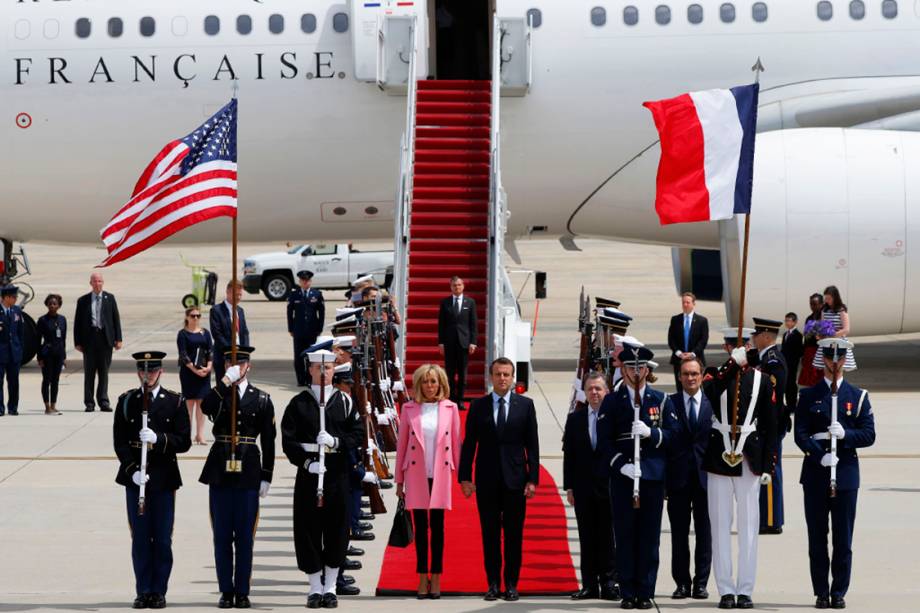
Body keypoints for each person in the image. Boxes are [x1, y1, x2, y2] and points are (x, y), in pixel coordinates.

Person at [794, 340, 875, 610]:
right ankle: (820, 592)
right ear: (823, 360)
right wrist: (819, 455)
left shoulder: (858, 396)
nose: (835, 362)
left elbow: (869, 434)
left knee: (843, 538)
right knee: (817, 537)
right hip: (816, 473)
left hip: (846, 473)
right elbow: (800, 434)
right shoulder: (808, 395)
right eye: (830, 357)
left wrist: (847, 435)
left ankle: (839, 590)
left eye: (839, 358)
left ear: (846, 361)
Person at [281, 347, 363, 609]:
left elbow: (358, 434)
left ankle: (330, 587)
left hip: (337, 475)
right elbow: (288, 441)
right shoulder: (299, 403)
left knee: (337, 529)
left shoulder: (345, 402)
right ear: (311, 370)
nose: (324, 373)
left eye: (328, 369)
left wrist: (336, 442)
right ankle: (314, 587)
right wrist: (307, 463)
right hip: (309, 475)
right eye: (319, 368)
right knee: (308, 531)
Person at [701, 330, 778, 610]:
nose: (738, 348)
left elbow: (772, 425)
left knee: (748, 526)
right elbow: (708, 392)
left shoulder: (761, 379)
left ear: (749, 344)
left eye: (742, 344)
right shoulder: (715, 374)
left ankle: (745, 589)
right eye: (732, 345)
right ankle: (725, 589)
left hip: (749, 455)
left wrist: (770, 463)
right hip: (719, 454)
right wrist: (731, 365)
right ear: (726, 346)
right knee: (720, 525)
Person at [598, 344, 676, 610]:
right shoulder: (612, 401)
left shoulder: (661, 400)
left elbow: (674, 437)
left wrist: (651, 434)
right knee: (625, 534)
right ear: (624, 369)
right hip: (624, 478)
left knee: (649, 537)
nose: (635, 371)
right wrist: (621, 466)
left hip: (651, 478)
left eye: (639, 367)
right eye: (630, 367)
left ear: (647, 369)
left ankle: (645, 591)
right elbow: (604, 442)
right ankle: (628, 591)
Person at [113, 351, 190, 609]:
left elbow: (184, 441)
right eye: (143, 371)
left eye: (153, 371)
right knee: (141, 538)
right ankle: (143, 589)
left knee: (163, 538)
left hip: (163, 478)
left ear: (161, 372)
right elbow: (120, 442)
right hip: (136, 478)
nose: (148, 376)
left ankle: (159, 590)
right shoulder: (127, 401)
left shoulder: (175, 402)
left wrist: (159, 439)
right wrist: (132, 469)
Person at [200, 346, 275, 609]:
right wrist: (224, 382)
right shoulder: (220, 394)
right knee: (222, 535)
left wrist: (267, 475)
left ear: (248, 366)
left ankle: (242, 591)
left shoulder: (262, 398)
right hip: (220, 469)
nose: (236, 367)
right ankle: (226, 590)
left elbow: (269, 440)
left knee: (245, 536)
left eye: (240, 364)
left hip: (248, 471)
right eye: (231, 363)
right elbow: (205, 405)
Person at [459, 357, 539, 602]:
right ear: (491, 377)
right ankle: (493, 584)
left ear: (513, 377)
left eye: (506, 374)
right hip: (487, 480)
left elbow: (532, 446)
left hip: (516, 481)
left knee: (514, 536)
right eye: (498, 374)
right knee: (490, 535)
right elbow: (469, 444)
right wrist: (464, 477)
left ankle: (512, 584)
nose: (502, 378)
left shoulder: (525, 405)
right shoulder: (478, 406)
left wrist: (532, 479)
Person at [395, 364, 461, 599]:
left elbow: (455, 444)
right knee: (421, 529)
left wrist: (463, 478)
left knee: (439, 529)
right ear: (419, 384)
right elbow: (401, 445)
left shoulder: (450, 408)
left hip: (440, 475)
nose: (430, 386)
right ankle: (422, 576)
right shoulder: (409, 409)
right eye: (425, 381)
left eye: (433, 381)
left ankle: (437, 577)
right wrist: (399, 481)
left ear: (441, 384)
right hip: (416, 475)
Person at [563, 372, 619, 601]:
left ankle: (608, 583)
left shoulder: (615, 417)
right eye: (590, 389)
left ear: (607, 391)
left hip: (608, 486)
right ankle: (588, 585)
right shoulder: (575, 419)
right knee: (586, 537)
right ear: (584, 392)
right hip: (584, 487)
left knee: (607, 537)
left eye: (598, 388)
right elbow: (570, 455)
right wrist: (569, 487)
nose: (594, 393)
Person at [666, 357, 713, 601]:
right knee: (679, 534)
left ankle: (701, 583)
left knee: (705, 534)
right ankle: (682, 583)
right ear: (679, 377)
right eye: (685, 374)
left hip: (706, 481)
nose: (690, 378)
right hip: (678, 480)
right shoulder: (670, 403)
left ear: (702, 375)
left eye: (694, 373)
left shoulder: (712, 403)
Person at [749, 318, 788, 535]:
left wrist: (769, 427)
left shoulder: (773, 361)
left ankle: (772, 520)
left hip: (770, 423)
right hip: (764, 423)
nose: (753, 338)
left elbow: (773, 398)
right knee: (766, 469)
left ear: (765, 336)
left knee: (770, 469)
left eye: (756, 334)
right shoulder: (764, 358)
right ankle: (767, 517)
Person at [74, 272, 123, 412]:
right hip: (89, 340)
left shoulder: (110, 298)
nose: (97, 284)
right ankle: (89, 402)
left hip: (105, 339)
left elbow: (116, 320)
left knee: (104, 372)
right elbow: (78, 322)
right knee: (89, 373)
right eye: (95, 281)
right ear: (90, 283)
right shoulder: (83, 300)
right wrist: (77, 341)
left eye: (100, 281)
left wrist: (118, 338)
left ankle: (103, 401)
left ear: (103, 282)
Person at [438, 276, 477, 405]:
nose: (457, 287)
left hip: (464, 343)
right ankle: (451, 398)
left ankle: (460, 399)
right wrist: (441, 343)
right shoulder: (445, 302)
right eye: (454, 285)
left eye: (459, 285)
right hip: (449, 343)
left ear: (463, 286)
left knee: (462, 374)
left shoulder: (470, 302)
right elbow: (441, 324)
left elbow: (473, 324)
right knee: (449, 373)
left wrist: (473, 342)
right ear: (451, 287)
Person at [177, 307, 213, 445]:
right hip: (189, 372)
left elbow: (210, 350)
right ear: (187, 317)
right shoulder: (183, 334)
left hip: (204, 372)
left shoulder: (205, 333)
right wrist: (194, 370)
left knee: (202, 404)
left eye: (198, 316)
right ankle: (188, 434)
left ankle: (200, 434)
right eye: (193, 316)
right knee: (189, 404)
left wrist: (209, 367)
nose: (196, 318)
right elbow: (183, 354)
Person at [288, 270, 325, 387]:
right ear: (299, 282)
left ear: (310, 281)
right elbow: (289, 313)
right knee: (298, 357)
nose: (305, 283)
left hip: (312, 331)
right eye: (303, 281)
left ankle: (310, 379)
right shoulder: (294, 295)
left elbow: (321, 313)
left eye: (307, 281)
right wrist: (291, 329)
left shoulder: (317, 294)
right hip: (298, 331)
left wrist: (319, 328)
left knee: (311, 356)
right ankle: (301, 379)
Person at [667, 292, 709, 390]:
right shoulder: (675, 320)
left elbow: (703, 340)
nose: (685, 305)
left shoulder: (702, 321)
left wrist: (692, 353)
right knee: (680, 388)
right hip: (679, 359)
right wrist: (679, 353)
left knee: (696, 387)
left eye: (688, 302)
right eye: (683, 302)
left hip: (696, 359)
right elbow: (671, 339)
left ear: (694, 304)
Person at [210, 280, 250, 383]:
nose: (238, 297)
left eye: (240, 295)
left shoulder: (240, 311)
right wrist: (230, 352)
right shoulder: (216, 310)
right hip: (224, 357)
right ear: (228, 292)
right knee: (225, 388)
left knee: (239, 388)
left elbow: (244, 333)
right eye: (236, 294)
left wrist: (246, 355)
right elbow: (217, 334)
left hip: (240, 358)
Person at [811, 286, 856, 372]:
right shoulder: (824, 310)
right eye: (826, 298)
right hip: (827, 342)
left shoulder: (841, 310)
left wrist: (832, 335)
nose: (826, 300)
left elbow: (846, 329)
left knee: (838, 368)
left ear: (835, 297)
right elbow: (823, 326)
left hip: (839, 342)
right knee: (826, 367)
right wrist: (820, 334)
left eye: (829, 298)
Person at [36, 293, 66, 415]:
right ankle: (47, 406)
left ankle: (54, 405)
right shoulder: (42, 320)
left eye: (55, 304)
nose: (52, 306)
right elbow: (37, 340)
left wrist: (64, 356)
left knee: (56, 380)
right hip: (47, 353)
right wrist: (39, 357)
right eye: (50, 303)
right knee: (46, 379)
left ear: (59, 306)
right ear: (47, 305)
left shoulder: (62, 319)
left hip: (58, 353)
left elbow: (63, 338)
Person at [0, 285, 25, 416]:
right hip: (1, 353)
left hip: (14, 353)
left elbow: (20, 333)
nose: (16, 299)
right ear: (6, 297)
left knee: (14, 382)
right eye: (14, 297)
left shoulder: (16, 311)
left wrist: (20, 350)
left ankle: (13, 407)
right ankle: (0, 408)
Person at [800, 294, 825, 387]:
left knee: (820, 377)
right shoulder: (809, 318)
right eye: (811, 304)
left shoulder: (824, 318)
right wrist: (803, 354)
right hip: (809, 352)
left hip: (820, 351)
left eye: (815, 304)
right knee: (810, 379)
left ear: (822, 304)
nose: (812, 306)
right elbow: (806, 338)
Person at [781, 312, 804, 412]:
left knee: (791, 383)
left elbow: (799, 351)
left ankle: (792, 404)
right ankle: (788, 403)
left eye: (789, 320)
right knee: (786, 383)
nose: (787, 323)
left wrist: (794, 361)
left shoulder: (798, 335)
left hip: (792, 363)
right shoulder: (785, 334)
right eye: (786, 320)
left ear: (794, 322)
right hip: (785, 363)